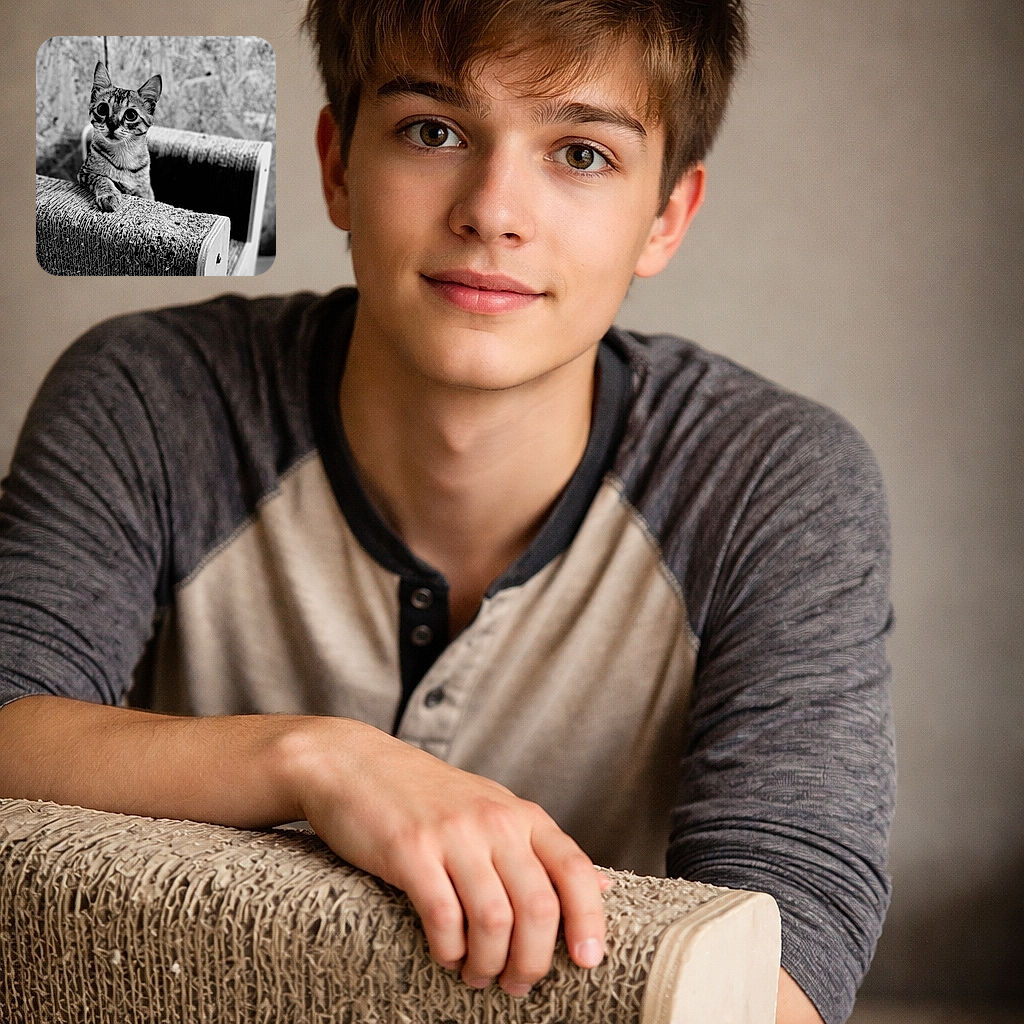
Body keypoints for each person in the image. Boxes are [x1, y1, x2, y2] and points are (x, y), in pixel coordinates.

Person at [0, 2, 895, 1022]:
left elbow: (780, 969)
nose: (492, 210)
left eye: (582, 153)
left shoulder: (772, 482)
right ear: (337, 165)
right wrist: (317, 761)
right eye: (434, 131)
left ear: (667, 217)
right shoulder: (148, 395)